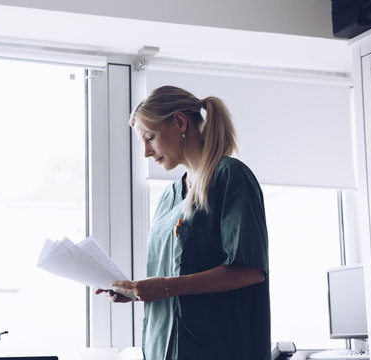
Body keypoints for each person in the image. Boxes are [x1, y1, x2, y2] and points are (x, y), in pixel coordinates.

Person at [96, 85, 271, 360]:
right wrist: (136, 291)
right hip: (164, 348)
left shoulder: (230, 177)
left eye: (149, 138)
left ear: (179, 122)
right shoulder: (169, 196)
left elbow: (249, 270)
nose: (146, 152)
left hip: (217, 349)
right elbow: (176, 274)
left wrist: (165, 286)